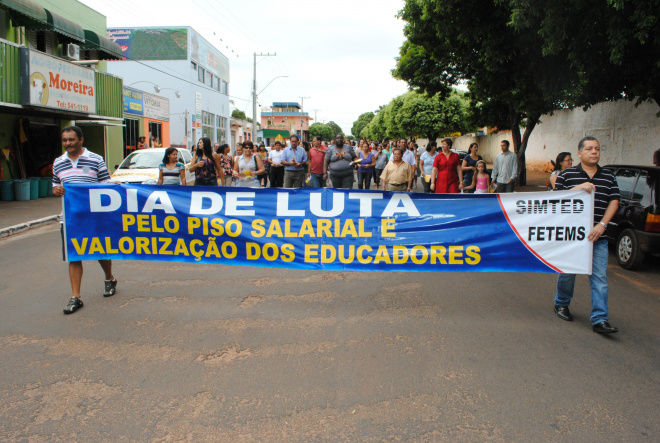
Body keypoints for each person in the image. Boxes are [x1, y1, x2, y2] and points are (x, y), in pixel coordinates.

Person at [553, 136, 620, 334]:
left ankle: (600, 319)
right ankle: (561, 303)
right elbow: (556, 200)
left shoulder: (608, 176)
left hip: (597, 237)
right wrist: (578, 188)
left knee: (599, 278)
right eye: (589, 149)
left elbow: (614, 201)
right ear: (580, 153)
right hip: (572, 236)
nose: (594, 152)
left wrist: (602, 225)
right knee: (567, 274)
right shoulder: (567, 176)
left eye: (597, 149)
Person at [52, 126, 117, 315]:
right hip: (70, 218)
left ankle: (109, 278)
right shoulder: (58, 162)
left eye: (71, 140)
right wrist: (56, 191)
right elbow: (56, 186)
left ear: (81, 139)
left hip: (94, 216)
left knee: (100, 250)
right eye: (64, 140)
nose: (68, 144)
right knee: (74, 255)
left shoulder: (96, 159)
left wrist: (116, 187)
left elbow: (105, 185)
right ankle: (76, 297)